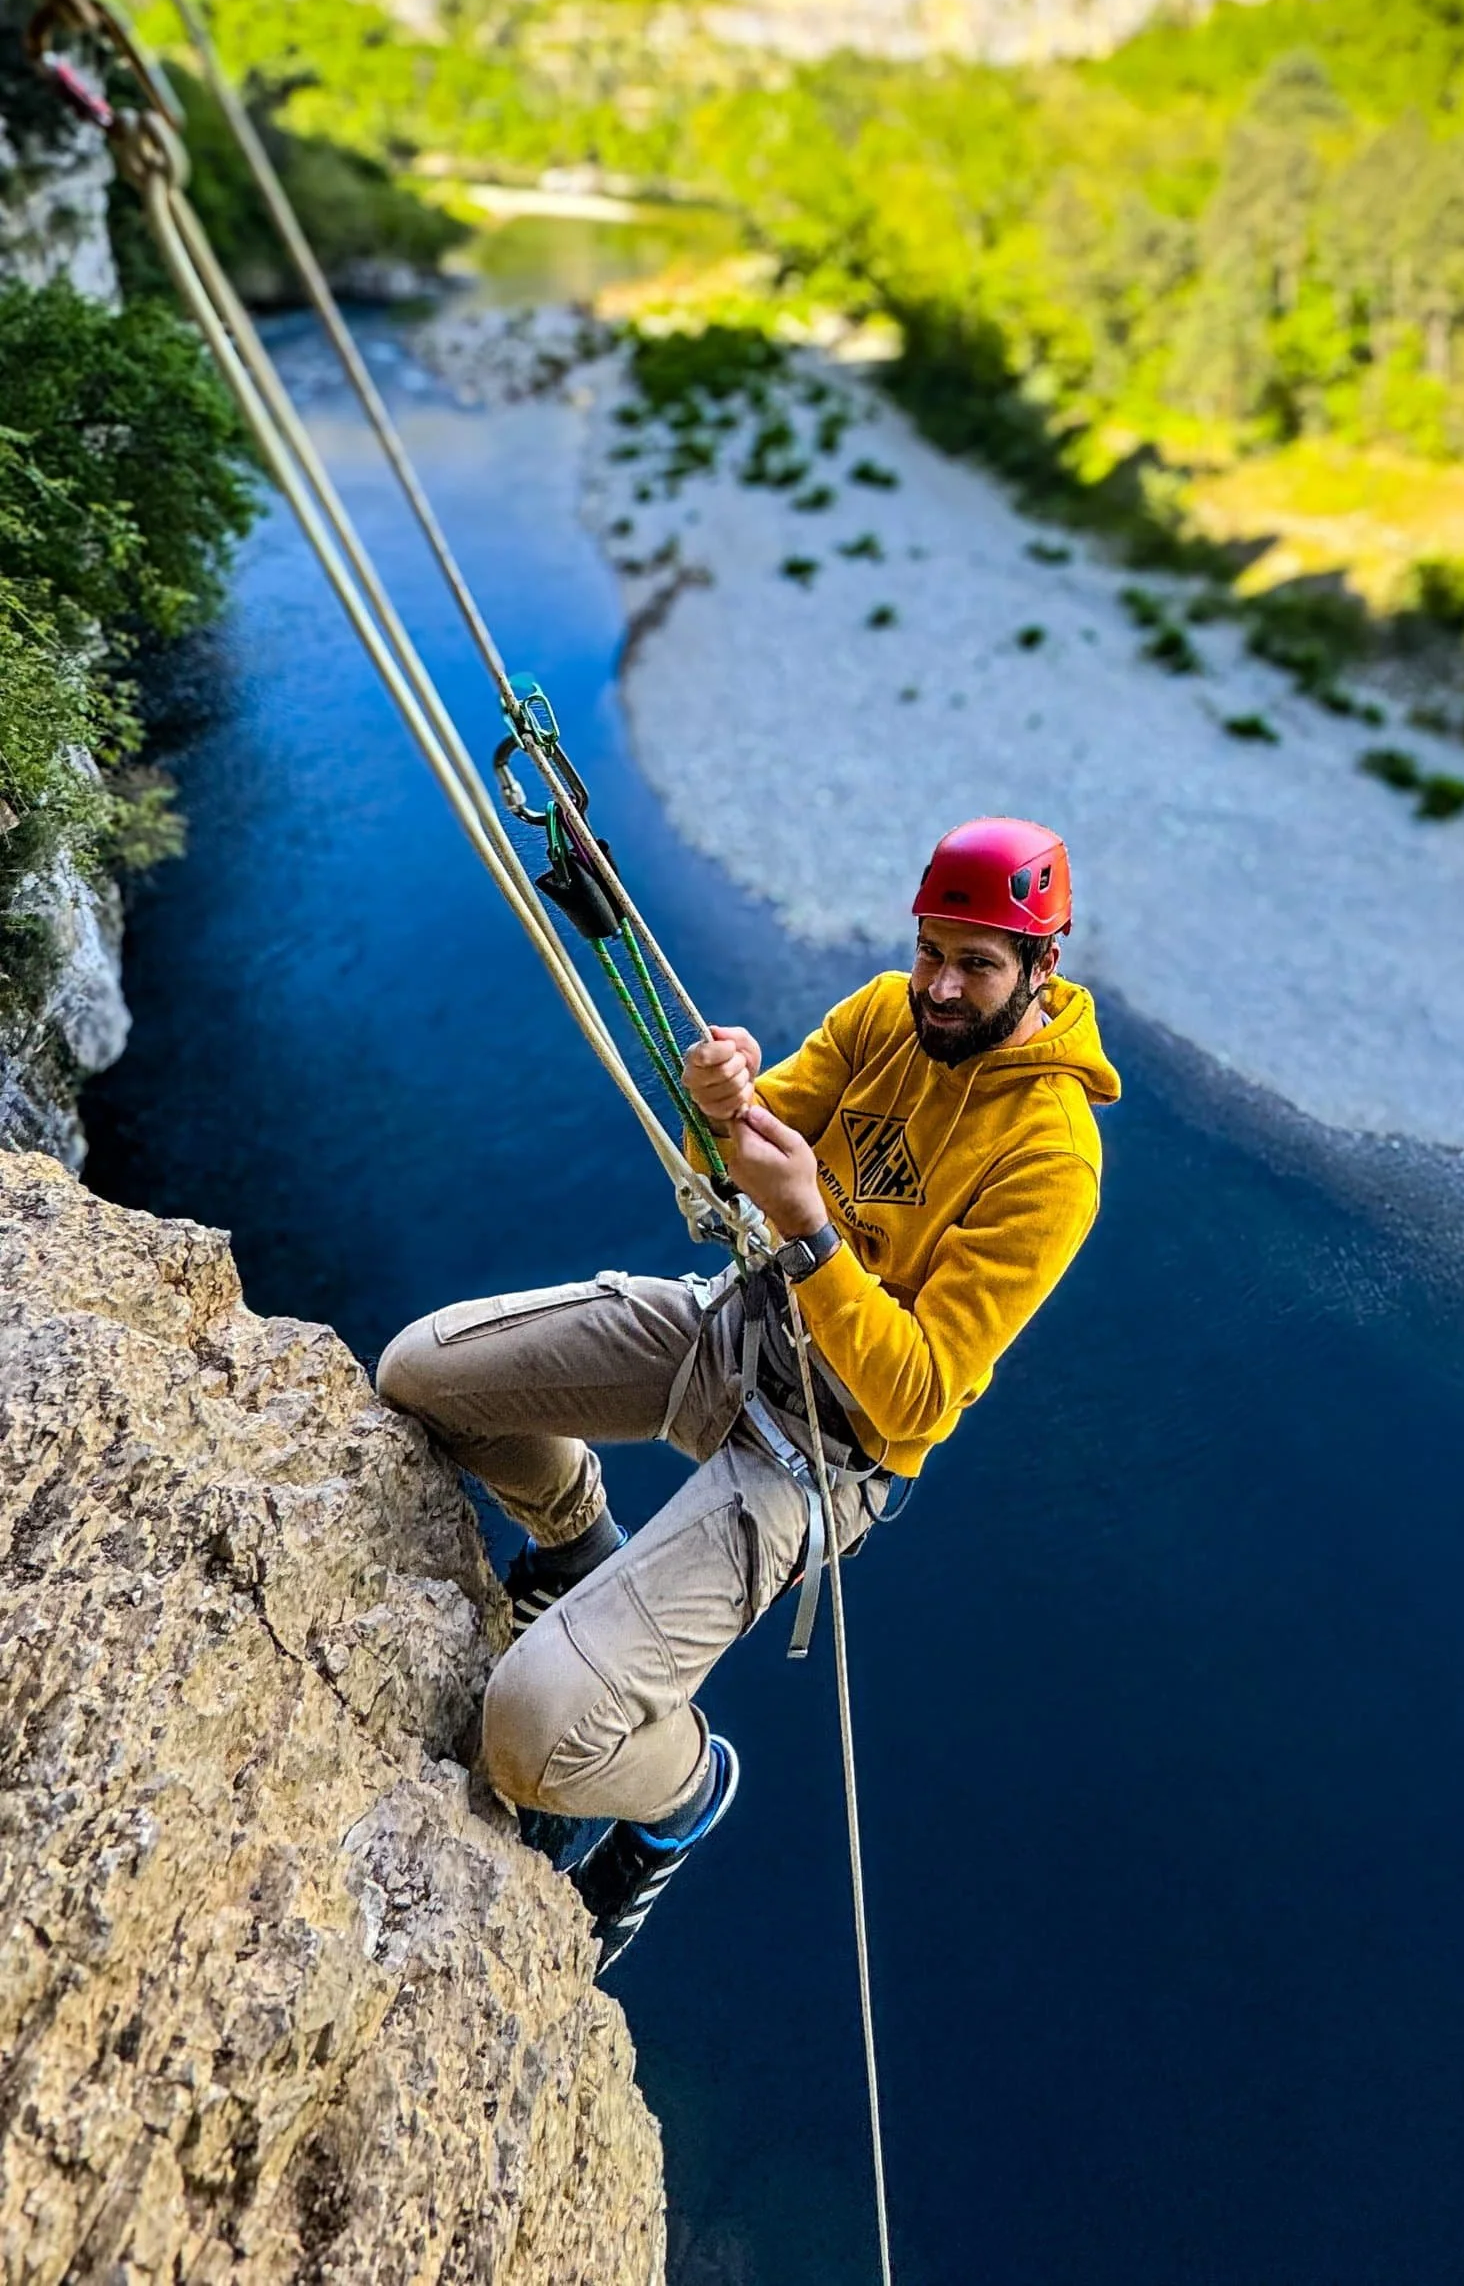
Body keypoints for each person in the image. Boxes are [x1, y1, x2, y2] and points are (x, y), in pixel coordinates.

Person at [377, 815, 1117, 1968]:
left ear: (1042, 967)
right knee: (420, 1374)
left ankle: (683, 1796)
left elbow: (916, 1398)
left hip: (827, 1451)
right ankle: (572, 1540)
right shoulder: (885, 1015)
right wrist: (717, 1097)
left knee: (527, 1734)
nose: (940, 985)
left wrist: (813, 1225)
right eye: (932, 950)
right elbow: (731, 1157)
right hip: (741, 1326)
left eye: (978, 963)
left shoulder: (1053, 1158)